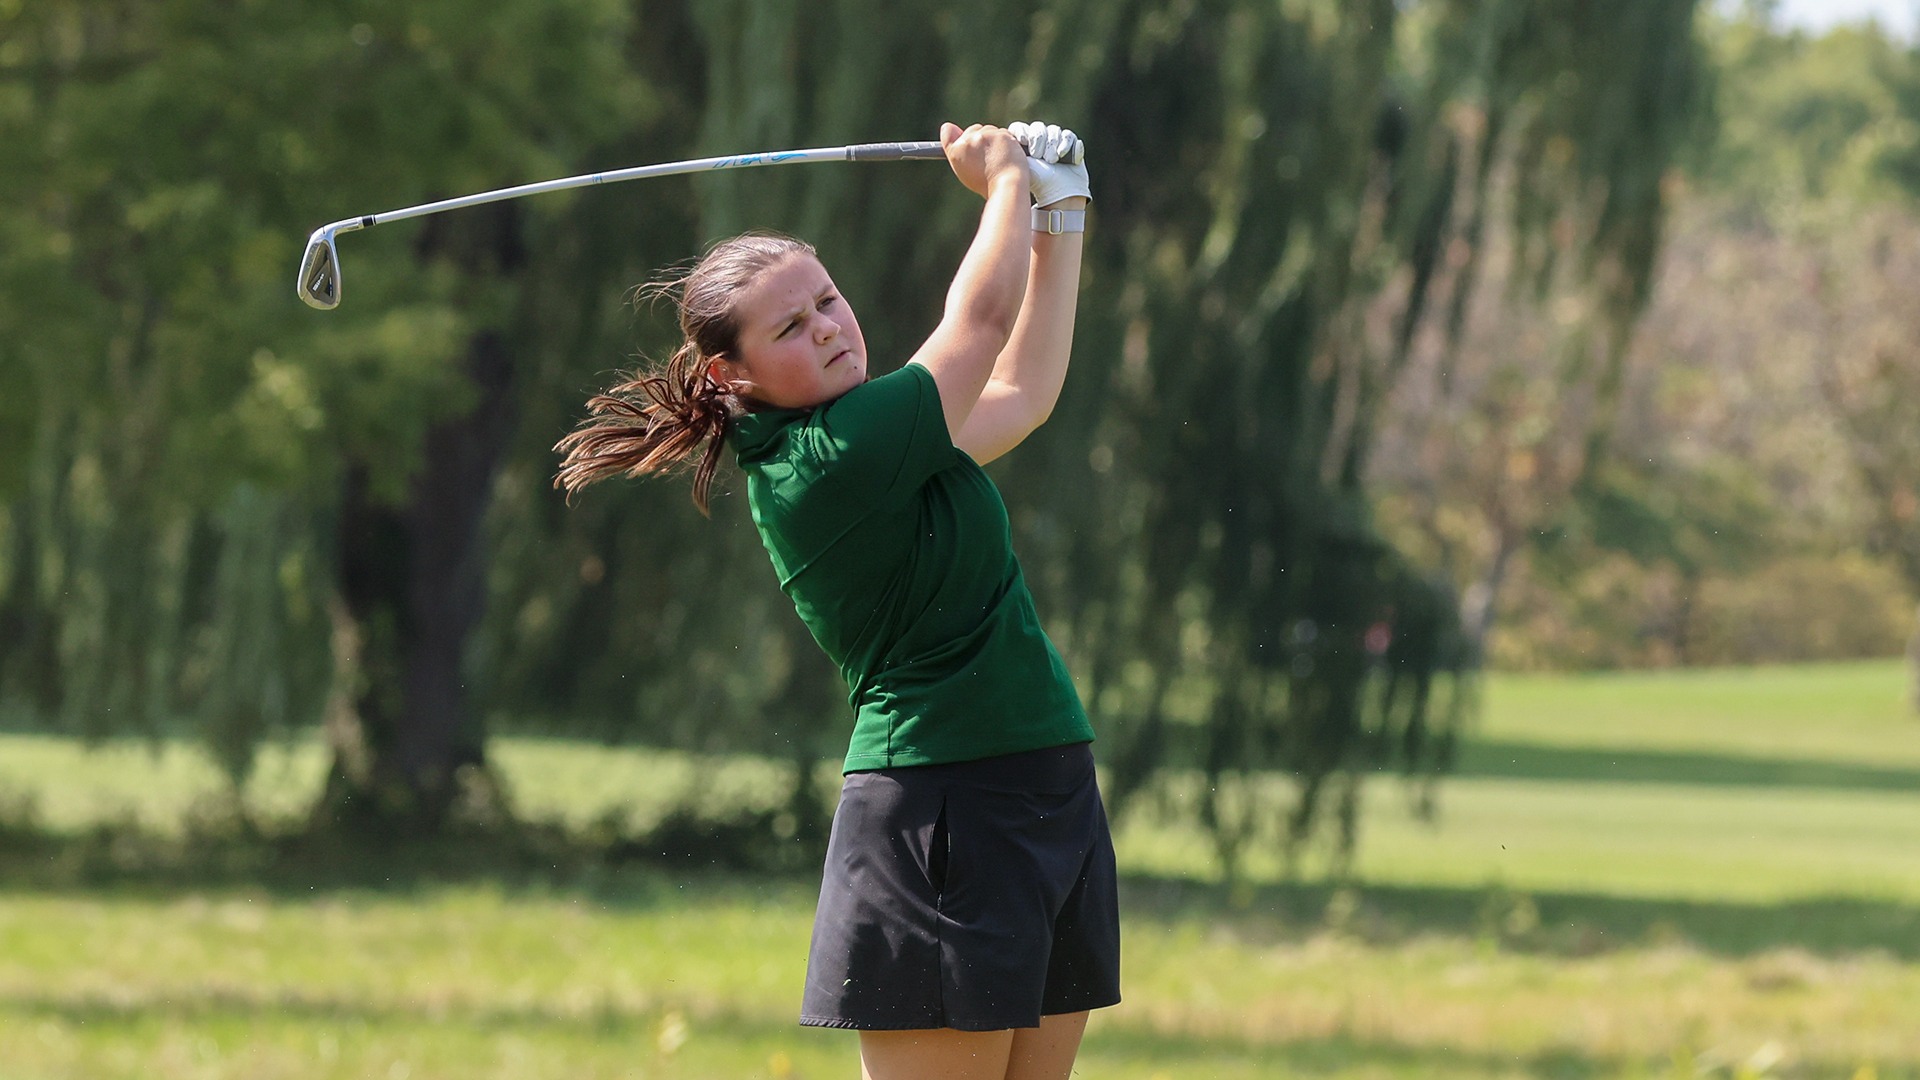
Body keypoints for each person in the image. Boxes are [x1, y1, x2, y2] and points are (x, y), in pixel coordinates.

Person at [554, 120, 1116, 1080]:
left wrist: (1058, 215)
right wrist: (1004, 187)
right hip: (942, 807)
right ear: (732, 374)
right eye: (791, 328)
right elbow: (979, 328)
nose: (827, 327)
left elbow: (1021, 388)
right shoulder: (827, 460)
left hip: (1046, 785)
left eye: (826, 300)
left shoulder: (888, 431)